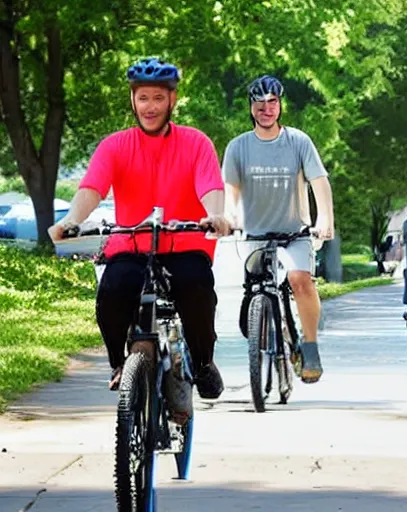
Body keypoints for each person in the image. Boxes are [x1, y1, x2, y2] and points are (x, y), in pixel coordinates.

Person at [48, 58, 230, 399]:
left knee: (197, 287)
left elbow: (210, 186)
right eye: (143, 97)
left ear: (172, 100)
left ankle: (204, 362)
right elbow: (92, 188)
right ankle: (121, 365)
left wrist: (216, 215)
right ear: (133, 100)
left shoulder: (196, 143)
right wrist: (71, 220)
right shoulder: (115, 145)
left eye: (158, 98)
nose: (150, 106)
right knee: (113, 292)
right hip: (131, 245)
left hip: (184, 245)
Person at [222, 75, 335, 383]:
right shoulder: (238, 147)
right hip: (255, 235)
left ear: (280, 106)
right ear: (251, 108)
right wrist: (229, 218)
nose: (266, 109)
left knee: (300, 280)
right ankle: (264, 333)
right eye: (260, 103)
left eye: (272, 102)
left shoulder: (298, 141)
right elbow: (230, 191)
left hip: (294, 233)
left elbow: (319, 182)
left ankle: (309, 345)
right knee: (254, 292)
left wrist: (325, 219)